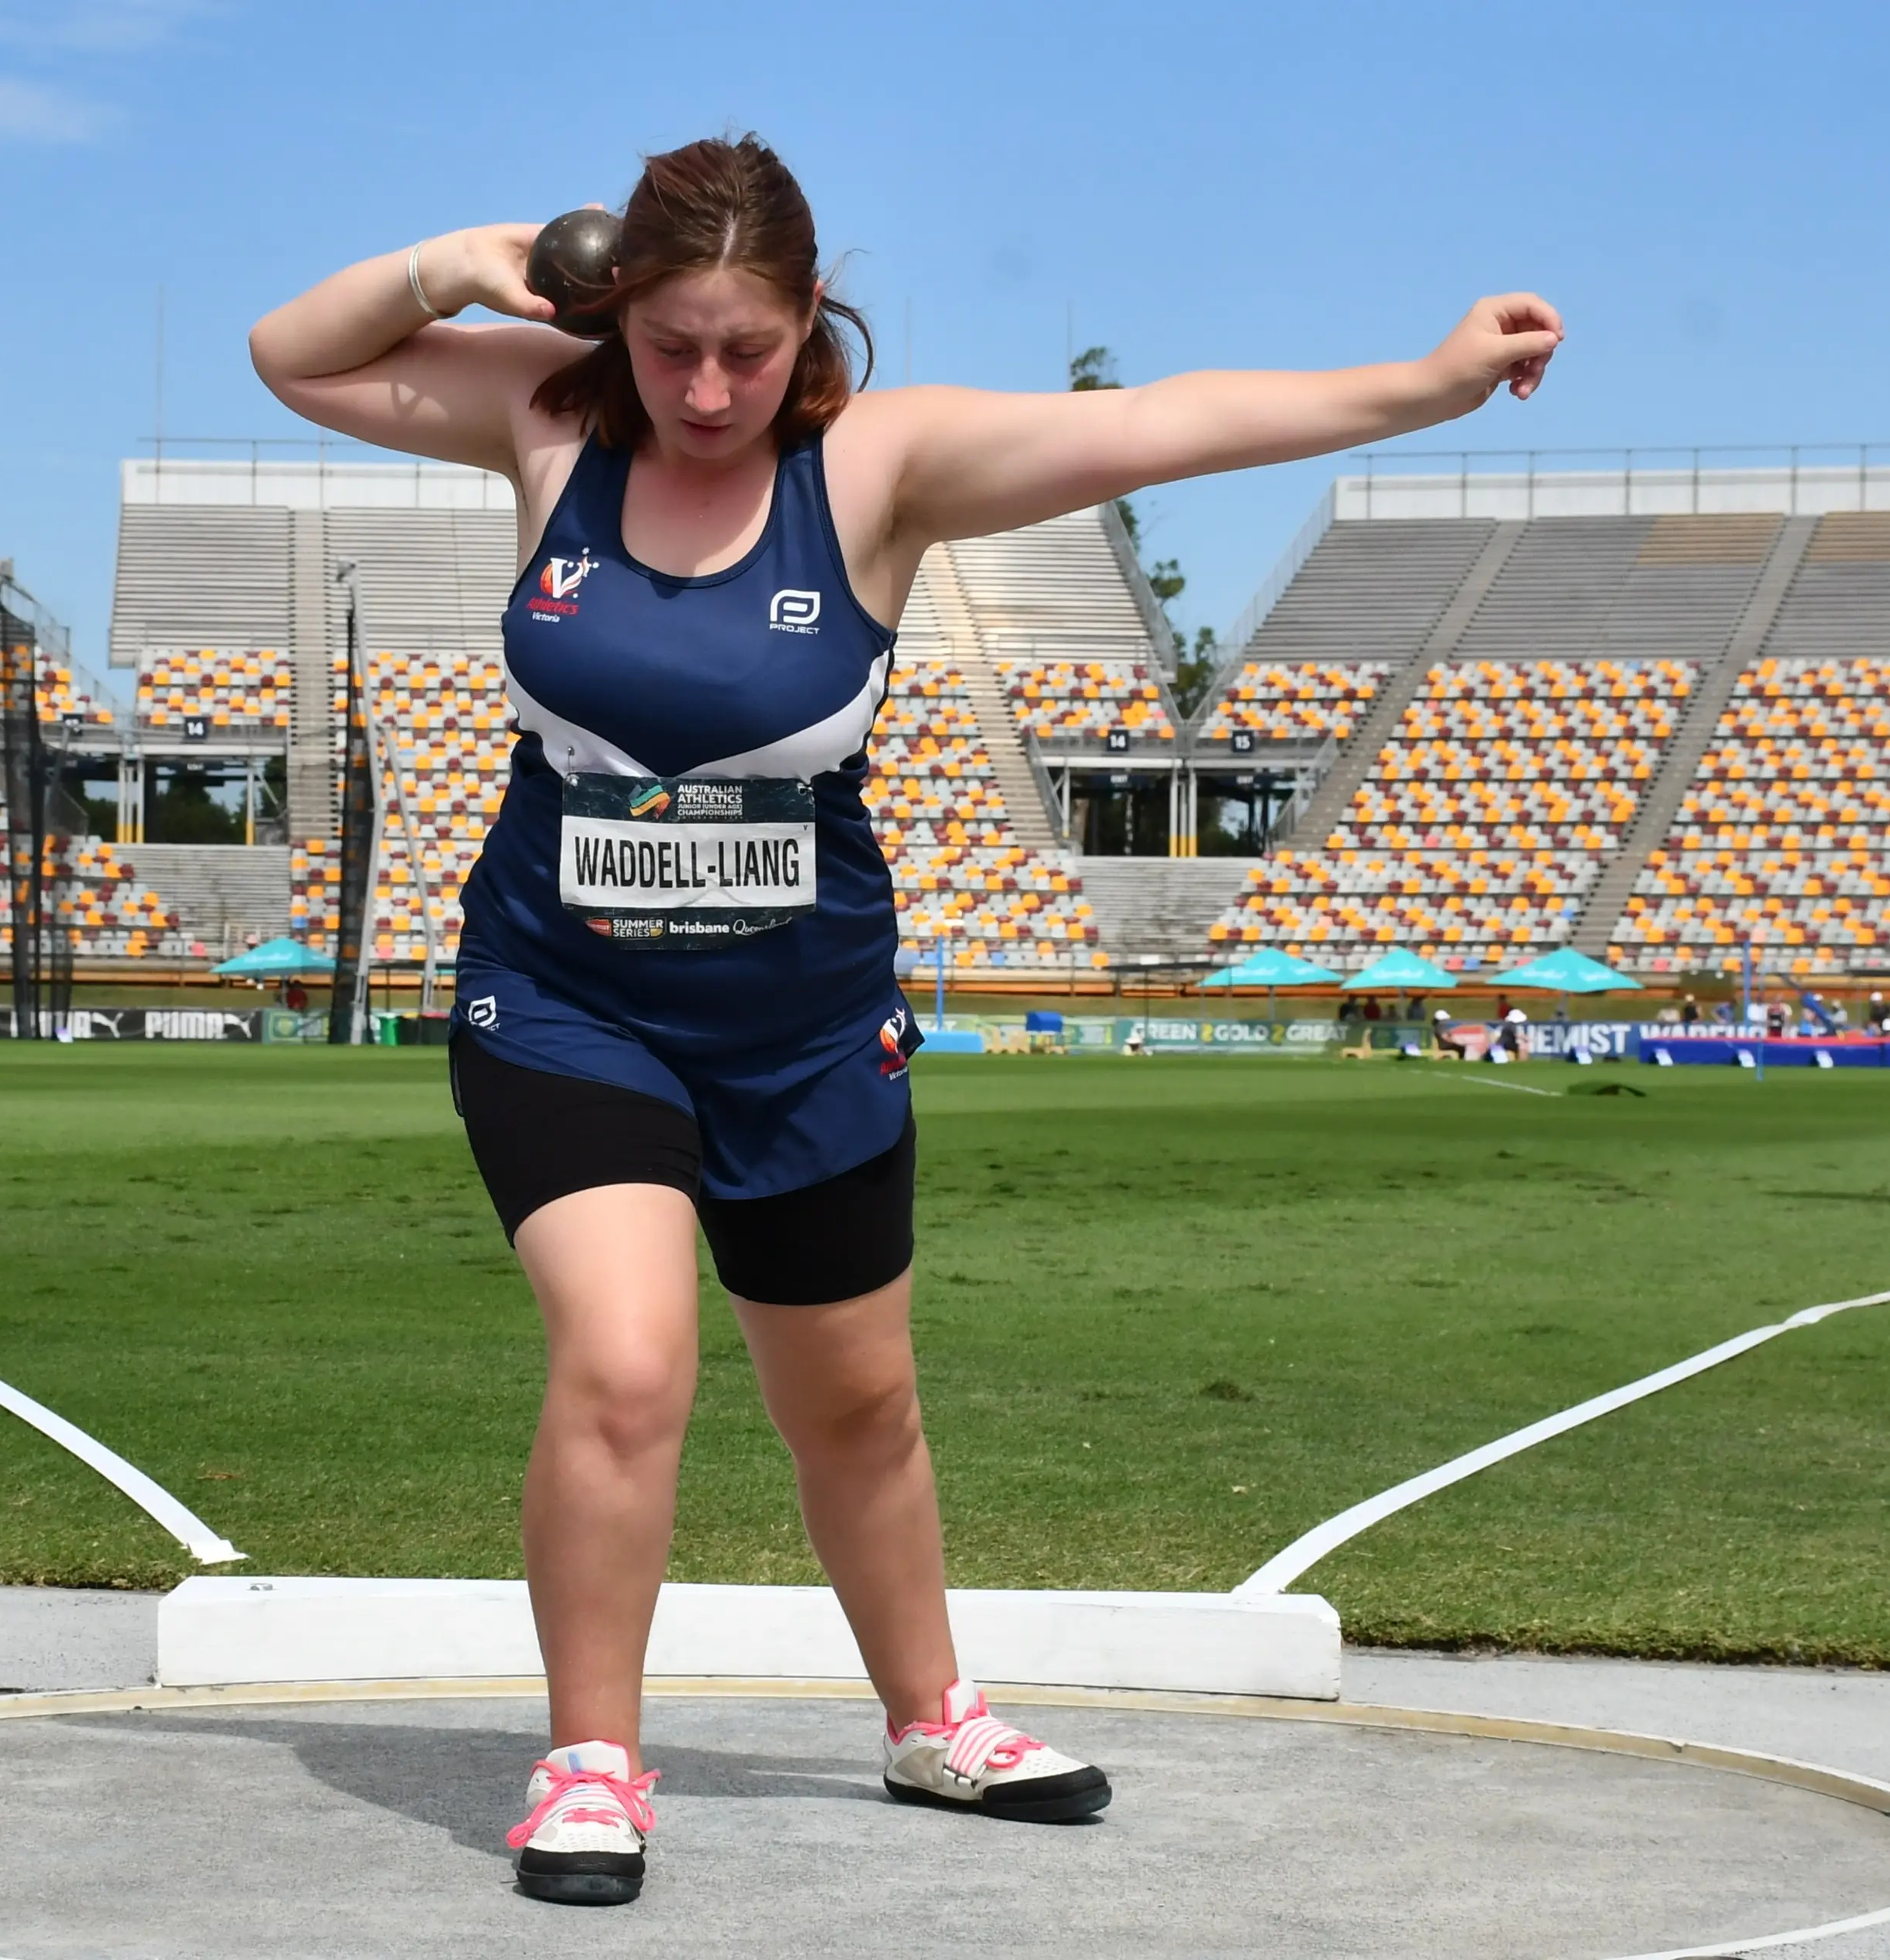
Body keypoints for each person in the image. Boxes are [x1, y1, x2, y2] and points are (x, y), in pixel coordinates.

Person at [250, 132, 1562, 1905]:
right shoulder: (545, 419)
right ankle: (586, 1756)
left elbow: (1158, 423)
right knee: (627, 1359)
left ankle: (930, 1713)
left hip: (801, 1026)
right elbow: (293, 355)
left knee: (855, 1403)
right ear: (613, 312)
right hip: (565, 998)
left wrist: (1422, 381)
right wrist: (458, 259)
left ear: (811, 324)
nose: (709, 387)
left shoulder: (878, 466)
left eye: (750, 347)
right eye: (671, 344)